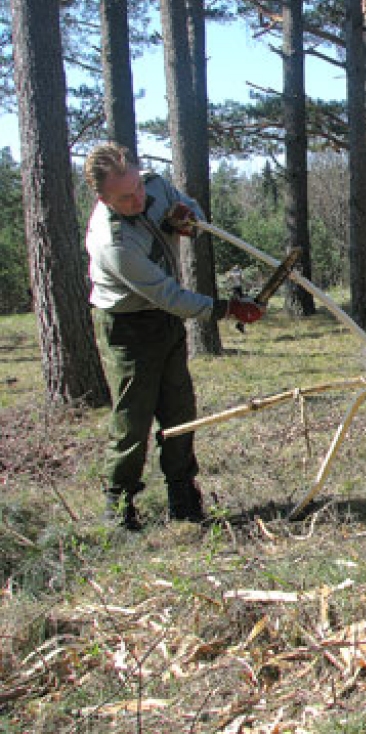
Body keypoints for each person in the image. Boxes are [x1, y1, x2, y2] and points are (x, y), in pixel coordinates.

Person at [84, 143, 265, 530]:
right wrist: (227, 309)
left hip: (166, 322)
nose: (137, 198)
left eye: (137, 188)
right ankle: (119, 508)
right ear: (103, 198)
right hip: (130, 329)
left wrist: (188, 219)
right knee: (134, 419)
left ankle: (183, 497)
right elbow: (170, 295)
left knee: (180, 409)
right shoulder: (113, 243)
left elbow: (191, 209)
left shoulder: (154, 185)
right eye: (125, 196)